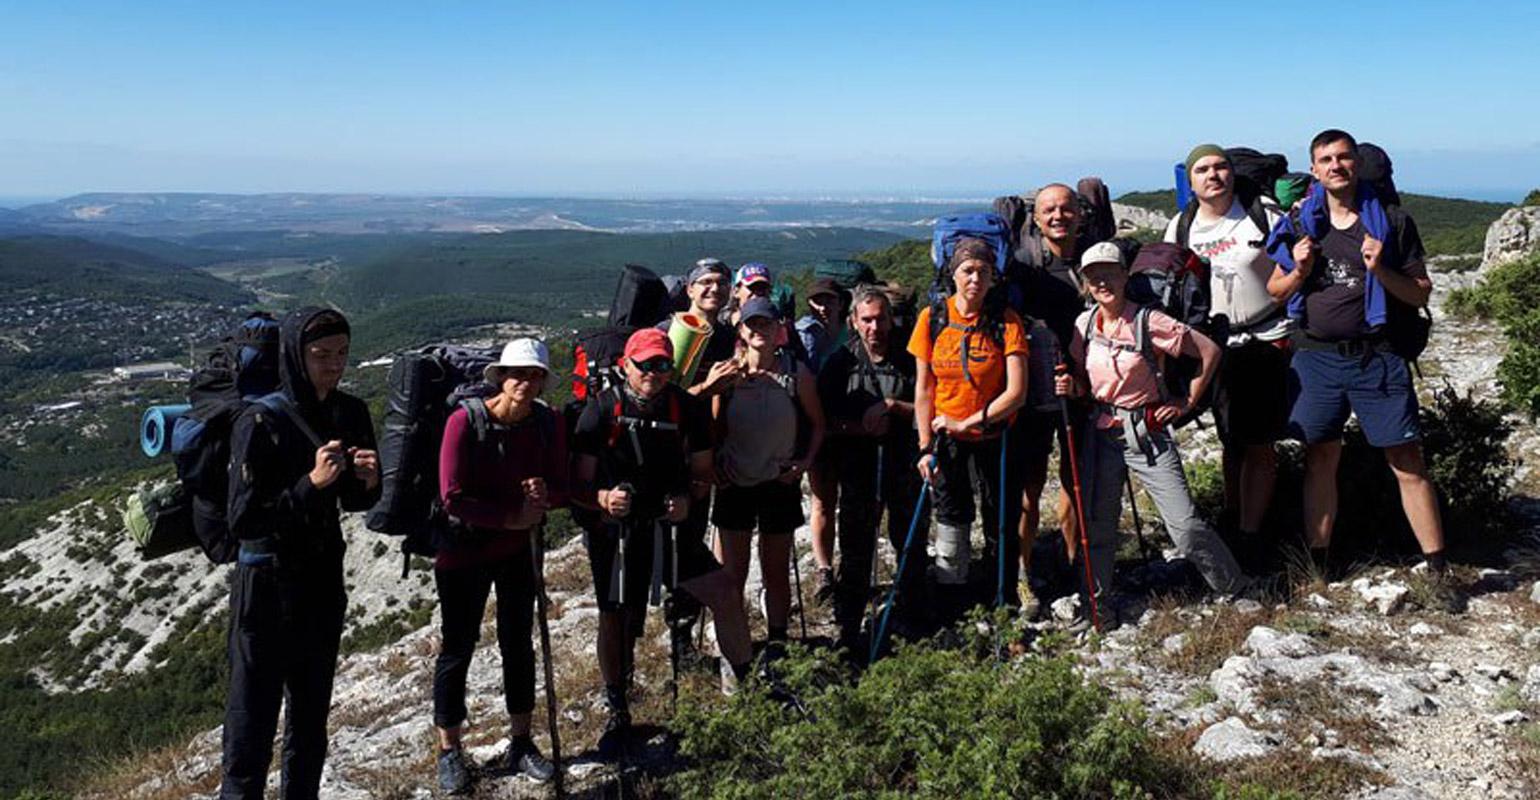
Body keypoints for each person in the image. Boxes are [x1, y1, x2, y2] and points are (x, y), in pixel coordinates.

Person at [1265, 129, 1461, 610]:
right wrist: (1299, 270)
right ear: (1313, 170)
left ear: (1357, 163)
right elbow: (1276, 289)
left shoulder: (1391, 221)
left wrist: (1380, 271)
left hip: (1377, 354)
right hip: (1316, 356)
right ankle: (1318, 567)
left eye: (1344, 157)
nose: (1336, 166)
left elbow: (1420, 293)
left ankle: (1438, 570)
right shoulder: (1301, 222)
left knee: (1407, 460)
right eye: (1326, 159)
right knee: (1320, 458)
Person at [572, 328, 756, 760]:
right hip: (617, 534)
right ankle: (617, 705)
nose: (653, 373)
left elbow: (703, 470)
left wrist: (688, 496)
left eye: (662, 364)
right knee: (614, 618)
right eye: (645, 365)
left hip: (670, 530)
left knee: (725, 593)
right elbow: (576, 486)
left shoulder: (687, 408)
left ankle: (745, 690)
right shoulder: (599, 412)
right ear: (625, 366)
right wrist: (602, 498)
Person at [221, 307, 379, 800]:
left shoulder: (349, 412)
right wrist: (311, 485)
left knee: (310, 719)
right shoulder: (261, 420)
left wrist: (367, 484)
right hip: (266, 585)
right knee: (252, 722)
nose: (334, 366)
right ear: (295, 355)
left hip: (321, 579)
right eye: (321, 355)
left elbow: (354, 502)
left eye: (342, 354)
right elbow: (244, 520)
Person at [1058, 243, 1251, 624]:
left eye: (1109, 272)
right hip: (1101, 432)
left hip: (1147, 432)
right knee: (1098, 527)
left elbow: (1208, 350)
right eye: (1093, 275)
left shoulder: (1150, 321)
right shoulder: (1084, 326)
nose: (1102, 281)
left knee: (1184, 525)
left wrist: (1187, 401)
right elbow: (1083, 381)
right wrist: (1072, 387)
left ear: (1125, 275)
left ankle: (1233, 586)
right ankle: (1098, 605)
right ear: (1085, 282)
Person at [431, 338, 564, 793]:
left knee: (517, 644)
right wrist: (511, 517)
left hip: (514, 554)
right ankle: (449, 750)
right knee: (457, 648)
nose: (525, 383)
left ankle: (521, 741)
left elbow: (561, 484)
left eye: (534, 376)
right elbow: (452, 496)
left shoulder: (547, 423)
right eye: (517, 374)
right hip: (463, 554)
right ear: (500, 377)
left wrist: (544, 497)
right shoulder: (463, 423)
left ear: (544, 381)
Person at [1166, 144, 1292, 572]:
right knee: (1231, 438)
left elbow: (1295, 268)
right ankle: (1237, 518)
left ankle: (1252, 534)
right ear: (1191, 179)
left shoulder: (1262, 215)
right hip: (1213, 346)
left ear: (1232, 174)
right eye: (1203, 169)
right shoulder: (1181, 227)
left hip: (1266, 338)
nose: (1213, 175)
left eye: (1221, 167)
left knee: (1258, 441)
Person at [909, 238, 1029, 621]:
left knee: (1000, 520)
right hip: (946, 440)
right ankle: (952, 601)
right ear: (953, 274)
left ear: (994, 277)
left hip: (994, 437)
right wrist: (925, 445)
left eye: (983, 272)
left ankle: (1001, 600)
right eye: (968, 271)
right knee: (950, 518)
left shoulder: (1006, 320)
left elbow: (1017, 393)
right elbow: (924, 388)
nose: (975, 278)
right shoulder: (933, 318)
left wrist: (969, 421)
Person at [712, 297, 825, 649]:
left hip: (779, 483)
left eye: (766, 323)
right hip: (736, 483)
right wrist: (714, 466)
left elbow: (818, 424)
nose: (759, 330)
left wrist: (805, 462)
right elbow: (713, 429)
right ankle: (735, 644)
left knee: (776, 571)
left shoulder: (797, 374)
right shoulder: (726, 374)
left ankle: (776, 643)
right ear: (741, 330)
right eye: (752, 324)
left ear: (779, 329)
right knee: (733, 574)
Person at [818, 285, 927, 647]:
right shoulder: (839, 364)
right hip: (857, 469)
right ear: (853, 321)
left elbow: (933, 409)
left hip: (904, 466)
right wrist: (857, 425)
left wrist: (896, 407)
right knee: (855, 549)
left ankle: (911, 614)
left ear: (891, 319)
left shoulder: (911, 360)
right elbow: (822, 420)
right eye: (866, 320)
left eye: (880, 318)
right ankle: (849, 625)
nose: (874, 327)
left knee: (908, 542)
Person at [1010, 184, 1092, 616]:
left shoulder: (1093, 261)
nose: (1058, 216)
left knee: (1075, 482)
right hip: (1032, 389)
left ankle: (1073, 564)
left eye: (1066, 208)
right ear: (1035, 219)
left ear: (1079, 214)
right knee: (1030, 486)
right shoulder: (1023, 267)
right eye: (1049, 210)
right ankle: (1024, 576)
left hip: (1082, 387)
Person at [797, 276, 850, 606]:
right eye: (817, 300)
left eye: (829, 300)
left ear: (841, 303)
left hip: (850, 426)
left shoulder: (851, 330)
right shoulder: (807, 335)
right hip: (821, 427)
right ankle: (824, 568)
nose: (823, 306)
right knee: (823, 501)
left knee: (851, 502)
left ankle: (849, 565)